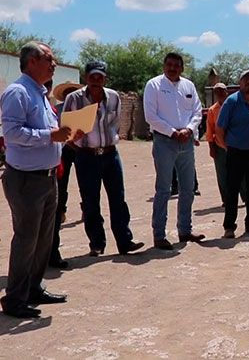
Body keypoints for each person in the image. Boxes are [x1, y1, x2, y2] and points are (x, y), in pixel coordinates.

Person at [0, 41, 77, 318]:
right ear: (32, 61)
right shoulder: (17, 92)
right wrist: (50, 136)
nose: (54, 63)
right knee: (26, 240)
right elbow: (11, 133)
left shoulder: (41, 95)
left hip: (47, 177)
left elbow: (49, 132)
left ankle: (33, 288)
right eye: (49, 58)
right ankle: (14, 299)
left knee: (44, 239)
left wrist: (65, 137)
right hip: (25, 179)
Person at [64, 61, 144, 257]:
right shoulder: (74, 99)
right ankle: (97, 243)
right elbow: (65, 131)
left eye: (100, 77)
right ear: (85, 77)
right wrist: (79, 147)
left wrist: (108, 141)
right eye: (92, 77)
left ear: (105, 79)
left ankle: (125, 242)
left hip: (110, 154)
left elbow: (115, 125)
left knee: (118, 199)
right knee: (91, 202)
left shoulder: (114, 97)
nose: (96, 81)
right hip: (86, 157)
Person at [144, 52, 204, 250]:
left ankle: (185, 230)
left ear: (182, 67)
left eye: (176, 65)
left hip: (186, 141)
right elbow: (150, 116)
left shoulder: (189, 86)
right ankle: (159, 235)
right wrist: (171, 132)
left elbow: (197, 111)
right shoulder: (154, 85)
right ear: (164, 66)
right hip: (164, 141)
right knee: (164, 189)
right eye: (169, 64)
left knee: (188, 189)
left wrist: (188, 129)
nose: (172, 68)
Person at [216, 70, 249, 238]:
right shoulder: (232, 102)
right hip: (235, 153)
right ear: (240, 83)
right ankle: (229, 227)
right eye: (246, 80)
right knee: (232, 190)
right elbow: (219, 129)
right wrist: (227, 147)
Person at [49, 81, 84, 269]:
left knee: (86, 187)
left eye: (74, 92)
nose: (71, 94)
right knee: (58, 195)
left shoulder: (86, 109)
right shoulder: (56, 110)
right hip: (61, 152)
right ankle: (51, 252)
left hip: (81, 149)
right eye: (68, 92)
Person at [206, 82, 246, 206]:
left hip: (235, 146)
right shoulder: (212, 110)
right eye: (216, 91)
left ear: (226, 92)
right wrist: (211, 148)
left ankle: (246, 197)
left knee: (240, 173)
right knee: (222, 175)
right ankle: (227, 199)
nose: (219, 93)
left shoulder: (235, 106)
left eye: (221, 91)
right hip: (219, 146)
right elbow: (210, 130)